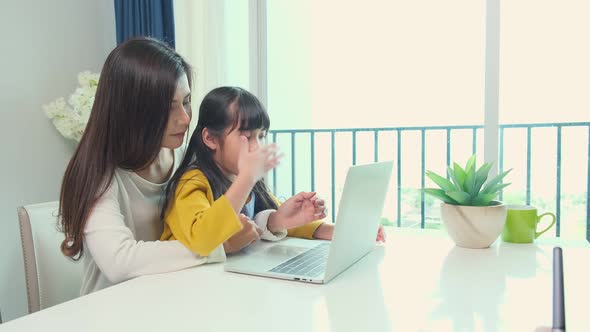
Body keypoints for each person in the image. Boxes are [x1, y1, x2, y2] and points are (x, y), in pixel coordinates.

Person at [58, 38, 238, 295]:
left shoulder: (186, 159)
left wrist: (271, 221)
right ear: (131, 110)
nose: (186, 118)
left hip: (170, 300)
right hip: (110, 312)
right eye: (168, 107)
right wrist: (215, 244)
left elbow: (226, 215)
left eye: (186, 101)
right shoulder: (97, 173)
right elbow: (119, 261)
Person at [160, 86, 385, 255]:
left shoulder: (241, 179)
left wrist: (339, 231)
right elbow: (202, 239)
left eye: (261, 136)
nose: (256, 146)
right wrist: (247, 178)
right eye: (247, 137)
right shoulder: (192, 182)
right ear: (210, 138)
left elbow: (272, 218)